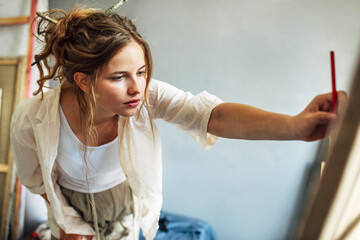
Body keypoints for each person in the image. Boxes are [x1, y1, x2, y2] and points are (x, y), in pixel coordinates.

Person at [10, 5, 346, 240]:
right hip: (69, 207)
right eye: (119, 77)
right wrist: (67, 223)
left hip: (126, 206)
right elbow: (37, 181)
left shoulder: (146, 97)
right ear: (83, 81)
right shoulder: (32, 118)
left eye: (141, 72)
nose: (136, 87)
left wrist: (293, 125)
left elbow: (211, 115)